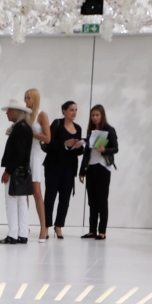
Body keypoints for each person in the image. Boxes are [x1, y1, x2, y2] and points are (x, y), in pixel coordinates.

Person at [42, 100, 83, 237]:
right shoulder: (57, 124)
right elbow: (48, 143)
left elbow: (79, 152)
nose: (74, 113)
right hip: (53, 166)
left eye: (76, 110)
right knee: (50, 197)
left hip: (69, 168)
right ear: (64, 111)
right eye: (71, 110)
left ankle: (59, 226)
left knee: (65, 199)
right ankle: (46, 226)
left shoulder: (78, 128)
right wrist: (65, 143)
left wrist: (78, 146)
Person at [79, 104, 118, 240]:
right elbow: (86, 152)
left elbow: (115, 148)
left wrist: (104, 150)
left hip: (103, 167)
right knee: (92, 200)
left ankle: (102, 231)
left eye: (97, 115)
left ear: (102, 116)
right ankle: (92, 230)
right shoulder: (91, 131)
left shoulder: (109, 130)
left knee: (102, 200)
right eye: (93, 115)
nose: (95, 118)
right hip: (91, 167)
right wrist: (82, 171)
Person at [0, 98, 33, 244]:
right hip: (24, 171)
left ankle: (13, 234)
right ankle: (23, 233)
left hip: (15, 171)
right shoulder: (26, 127)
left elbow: (18, 153)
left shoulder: (19, 129)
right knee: (22, 203)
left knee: (11, 202)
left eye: (9, 111)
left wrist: (8, 171)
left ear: (15, 112)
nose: (7, 113)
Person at [24, 88, 51, 242]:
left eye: (28, 98)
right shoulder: (24, 114)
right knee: (23, 192)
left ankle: (43, 228)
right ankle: (24, 225)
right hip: (24, 155)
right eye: (25, 98)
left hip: (34, 155)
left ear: (34, 99)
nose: (26, 101)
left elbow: (47, 138)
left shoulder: (41, 115)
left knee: (37, 192)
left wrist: (30, 133)